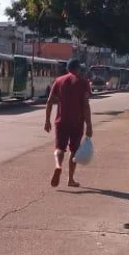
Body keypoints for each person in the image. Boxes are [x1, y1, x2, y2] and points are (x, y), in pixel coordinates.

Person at [44, 59, 93, 188]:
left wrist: (47, 120)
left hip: (61, 121)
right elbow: (85, 105)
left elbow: (49, 101)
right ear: (77, 68)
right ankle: (70, 179)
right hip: (77, 122)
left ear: (67, 68)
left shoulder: (58, 81)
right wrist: (89, 125)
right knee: (74, 150)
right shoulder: (83, 82)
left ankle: (58, 166)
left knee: (59, 148)